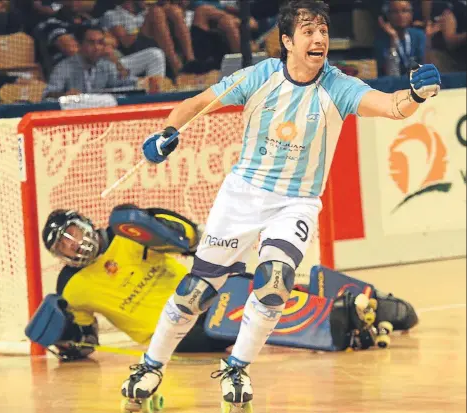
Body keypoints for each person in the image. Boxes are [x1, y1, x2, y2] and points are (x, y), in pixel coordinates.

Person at [120, 0, 440, 410]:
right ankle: (150, 366)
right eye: (308, 31)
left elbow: (393, 107)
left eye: (323, 30)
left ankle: (237, 368)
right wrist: (166, 131)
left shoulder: (338, 86)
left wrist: (415, 95)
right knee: (196, 291)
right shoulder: (260, 76)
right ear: (287, 41)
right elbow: (196, 104)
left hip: (296, 203)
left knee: (274, 285)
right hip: (241, 196)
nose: (319, 38)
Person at [25, 206, 417, 362]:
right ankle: (341, 320)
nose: (74, 243)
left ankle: (362, 303)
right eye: (64, 243)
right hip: (177, 334)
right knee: (238, 320)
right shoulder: (69, 286)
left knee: (266, 284)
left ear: (84, 222)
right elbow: (85, 342)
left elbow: (188, 238)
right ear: (60, 254)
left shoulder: (124, 231)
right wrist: (65, 341)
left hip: (204, 290)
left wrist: (166, 231)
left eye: (73, 232)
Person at [42, 24, 141, 100]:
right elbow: (48, 95)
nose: (97, 48)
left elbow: (123, 85)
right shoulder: (64, 68)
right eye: (91, 43)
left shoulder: (106, 65)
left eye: (100, 43)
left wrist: (143, 82)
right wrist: (64, 95)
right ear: (79, 44)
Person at [375, 0, 427, 76]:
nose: (400, 15)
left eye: (405, 11)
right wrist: (393, 40)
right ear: (388, 15)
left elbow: (426, 68)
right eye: (395, 12)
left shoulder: (419, 35)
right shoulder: (381, 40)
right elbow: (391, 75)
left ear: (411, 14)